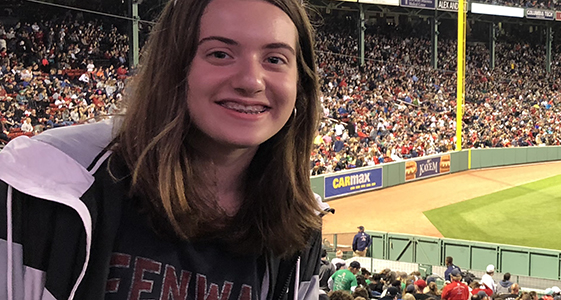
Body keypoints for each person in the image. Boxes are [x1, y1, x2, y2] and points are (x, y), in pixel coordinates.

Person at [0, 0, 327, 298]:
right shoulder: (42, 186)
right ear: (174, 65)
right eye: (220, 54)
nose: (251, 81)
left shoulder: (300, 230)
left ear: (301, 84)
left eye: (275, 59)